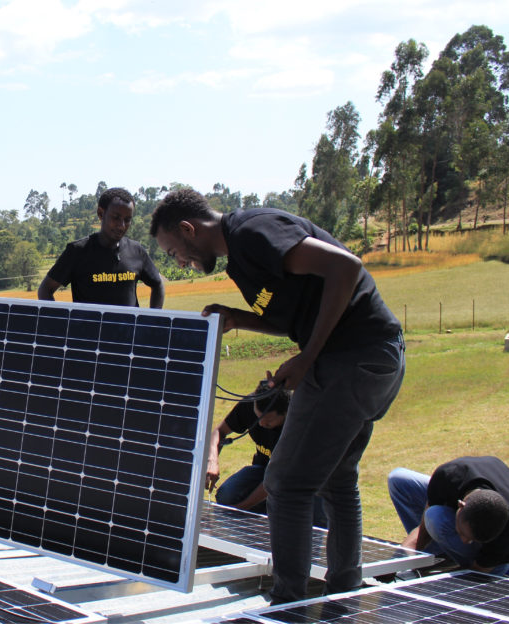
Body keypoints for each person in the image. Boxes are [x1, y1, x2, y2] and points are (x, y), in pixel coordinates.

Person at [150, 189, 405, 604]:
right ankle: (343, 594)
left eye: (173, 250)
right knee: (337, 480)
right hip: (372, 357)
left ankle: (289, 604)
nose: (178, 261)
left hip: (350, 360)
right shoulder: (241, 260)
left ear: (188, 229)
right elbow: (292, 315)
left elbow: (346, 268)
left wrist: (308, 357)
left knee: (284, 484)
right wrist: (239, 318)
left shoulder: (253, 231)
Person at [388, 456, 509, 576]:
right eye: (463, 534)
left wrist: (443, 584)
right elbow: (424, 525)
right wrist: (406, 554)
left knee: (436, 518)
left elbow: (479, 571)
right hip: (474, 492)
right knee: (399, 479)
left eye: (471, 540)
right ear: (461, 506)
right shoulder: (449, 475)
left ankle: (503, 569)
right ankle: (440, 554)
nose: (464, 540)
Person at [206, 382, 327, 528]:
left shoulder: (299, 425)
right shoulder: (250, 404)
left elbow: (277, 480)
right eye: (258, 417)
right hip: (264, 470)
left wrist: (242, 508)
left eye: (268, 421)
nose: (261, 423)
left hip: (305, 481)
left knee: (313, 522)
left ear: (286, 413)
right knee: (227, 495)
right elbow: (219, 432)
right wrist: (212, 460)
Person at [38, 187, 164, 308]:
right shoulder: (77, 251)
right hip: (88, 330)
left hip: (128, 330)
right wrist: (62, 324)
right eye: (116, 218)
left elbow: (157, 284)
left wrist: (152, 321)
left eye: (127, 219)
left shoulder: (137, 251)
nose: (122, 225)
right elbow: (45, 290)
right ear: (101, 213)